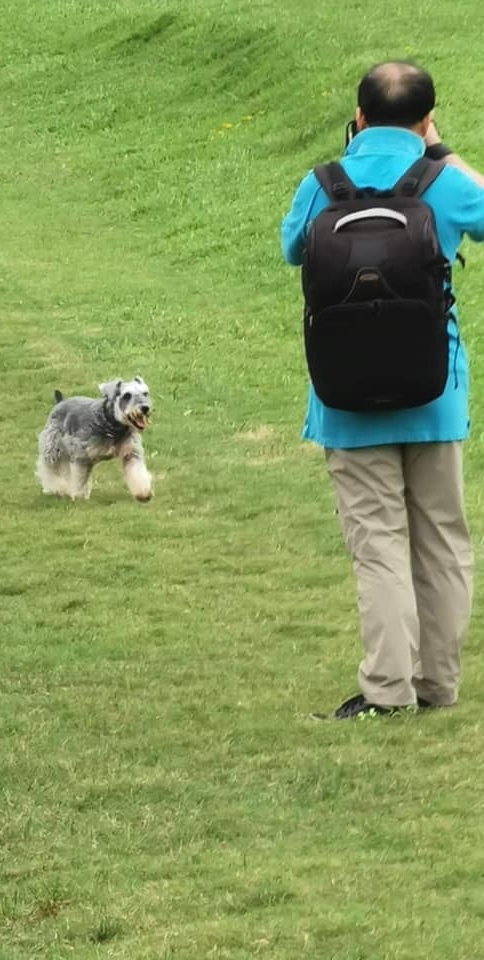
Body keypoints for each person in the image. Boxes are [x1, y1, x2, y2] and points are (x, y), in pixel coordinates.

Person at [281, 61, 484, 719]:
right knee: (442, 541)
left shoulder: (322, 186)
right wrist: (444, 152)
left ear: (359, 116)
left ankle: (387, 693)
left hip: (345, 397)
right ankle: (437, 686)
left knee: (379, 545)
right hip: (434, 392)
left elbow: (292, 249)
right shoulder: (442, 179)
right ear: (427, 119)